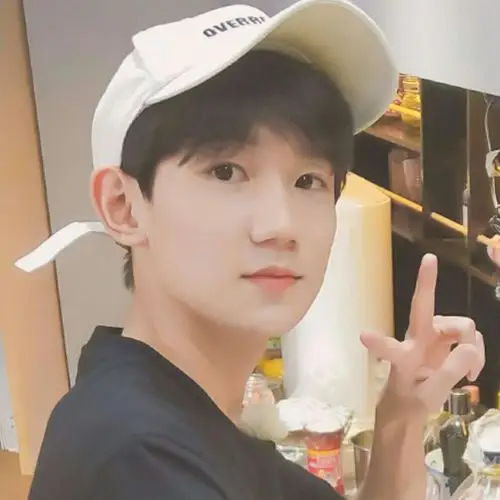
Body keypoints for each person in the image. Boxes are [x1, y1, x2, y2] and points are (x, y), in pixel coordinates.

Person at [17, 1, 485, 499]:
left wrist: (401, 417)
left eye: (308, 180)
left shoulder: (177, 410)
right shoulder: (141, 465)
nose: (280, 226)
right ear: (123, 206)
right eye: (226, 172)